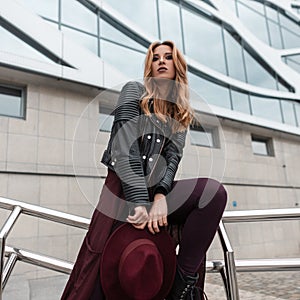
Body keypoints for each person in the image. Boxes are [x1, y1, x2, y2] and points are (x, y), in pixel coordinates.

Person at [61, 40, 227, 300]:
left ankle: (180, 288)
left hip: (157, 194)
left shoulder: (180, 113)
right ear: (149, 66)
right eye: (155, 57)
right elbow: (123, 147)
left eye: (168, 57)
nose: (161, 61)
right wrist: (140, 201)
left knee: (213, 193)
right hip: (122, 193)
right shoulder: (133, 91)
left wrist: (161, 196)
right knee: (99, 283)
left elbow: (172, 159)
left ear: (177, 67)